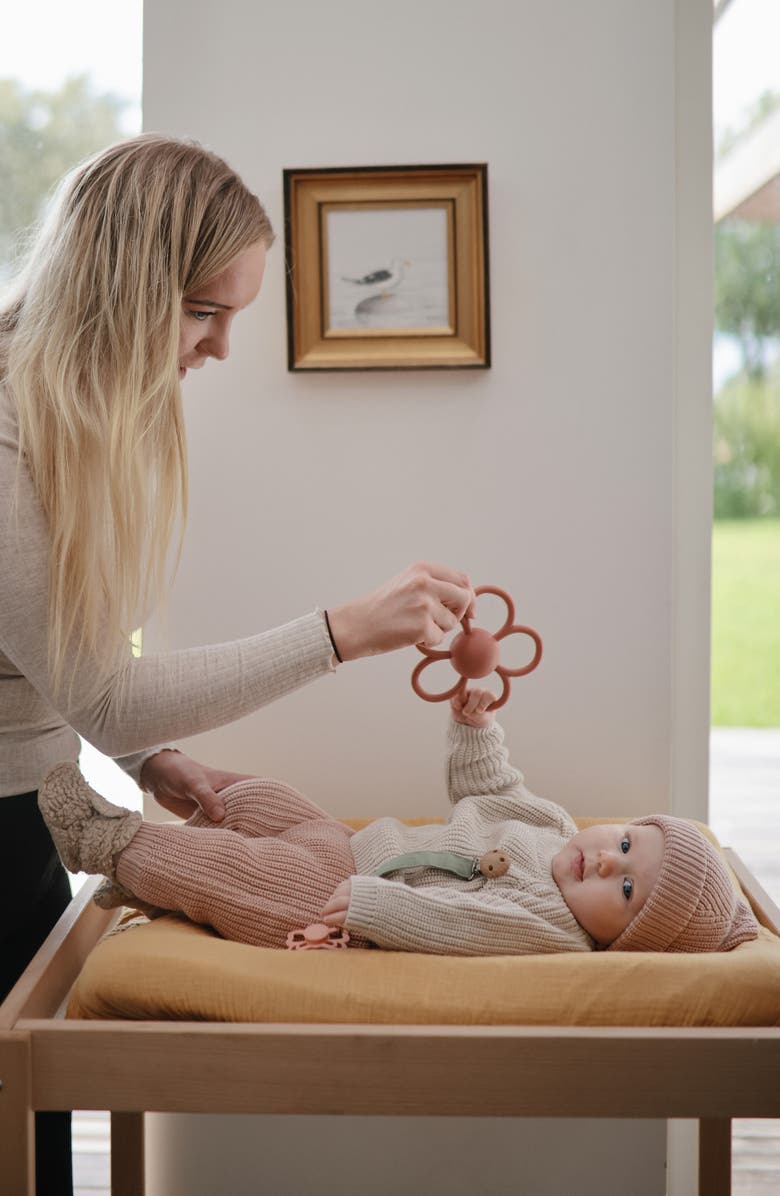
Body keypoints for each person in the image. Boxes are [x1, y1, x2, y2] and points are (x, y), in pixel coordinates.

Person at [0, 133, 474, 1194]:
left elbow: (71, 654)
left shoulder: (85, 415)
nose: (216, 349)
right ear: (123, 283)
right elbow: (101, 686)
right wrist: (343, 630)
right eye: (205, 310)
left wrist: (157, 754)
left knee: (27, 1144)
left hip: (29, 804)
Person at [39, 685, 758, 957]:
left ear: (624, 940)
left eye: (626, 889)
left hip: (341, 905)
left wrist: (377, 906)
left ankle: (111, 843)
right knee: (260, 801)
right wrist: (476, 732)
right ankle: (158, 883)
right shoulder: (554, 824)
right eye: (627, 842)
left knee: (244, 876)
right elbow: (492, 787)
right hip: (354, 846)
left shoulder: (551, 928)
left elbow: (459, 927)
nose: (606, 860)